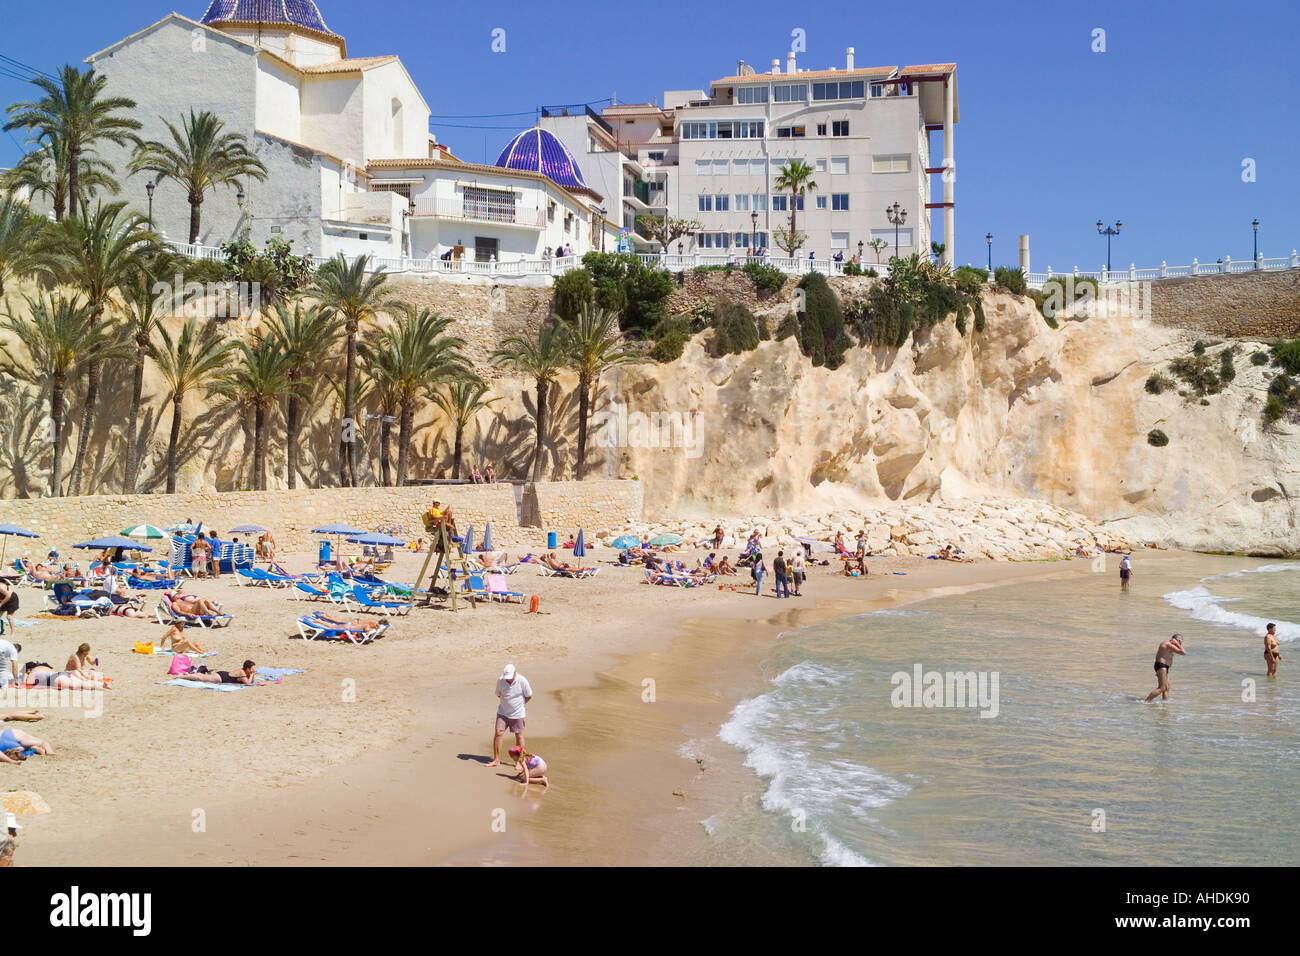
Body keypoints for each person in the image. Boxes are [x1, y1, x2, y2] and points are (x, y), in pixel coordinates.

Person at [487, 664, 532, 768]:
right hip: (503, 712)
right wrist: (507, 704)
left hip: (518, 713)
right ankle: (497, 759)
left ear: (515, 673)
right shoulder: (500, 680)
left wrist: (520, 705)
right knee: (498, 733)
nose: (508, 679)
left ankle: (519, 762)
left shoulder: (522, 680)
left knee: (518, 735)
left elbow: (529, 695)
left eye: (510, 677)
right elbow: (498, 694)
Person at [1143, 635, 1186, 702]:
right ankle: (1145, 701)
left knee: (1167, 687)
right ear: (1177, 640)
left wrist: (1177, 644)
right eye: (1180, 642)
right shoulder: (1167, 644)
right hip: (1161, 666)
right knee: (1161, 688)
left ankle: (1164, 703)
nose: (1180, 644)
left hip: (1165, 667)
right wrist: (1177, 644)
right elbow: (1183, 652)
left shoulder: (1171, 646)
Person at [179, 660, 257, 685]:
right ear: (247, 668)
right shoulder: (242, 672)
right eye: (251, 669)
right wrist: (252, 674)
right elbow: (248, 683)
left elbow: (251, 681)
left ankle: (188, 675)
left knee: (203, 677)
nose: (252, 670)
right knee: (201, 678)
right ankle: (183, 676)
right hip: (221, 677)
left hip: (223, 675)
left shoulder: (246, 672)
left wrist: (252, 674)